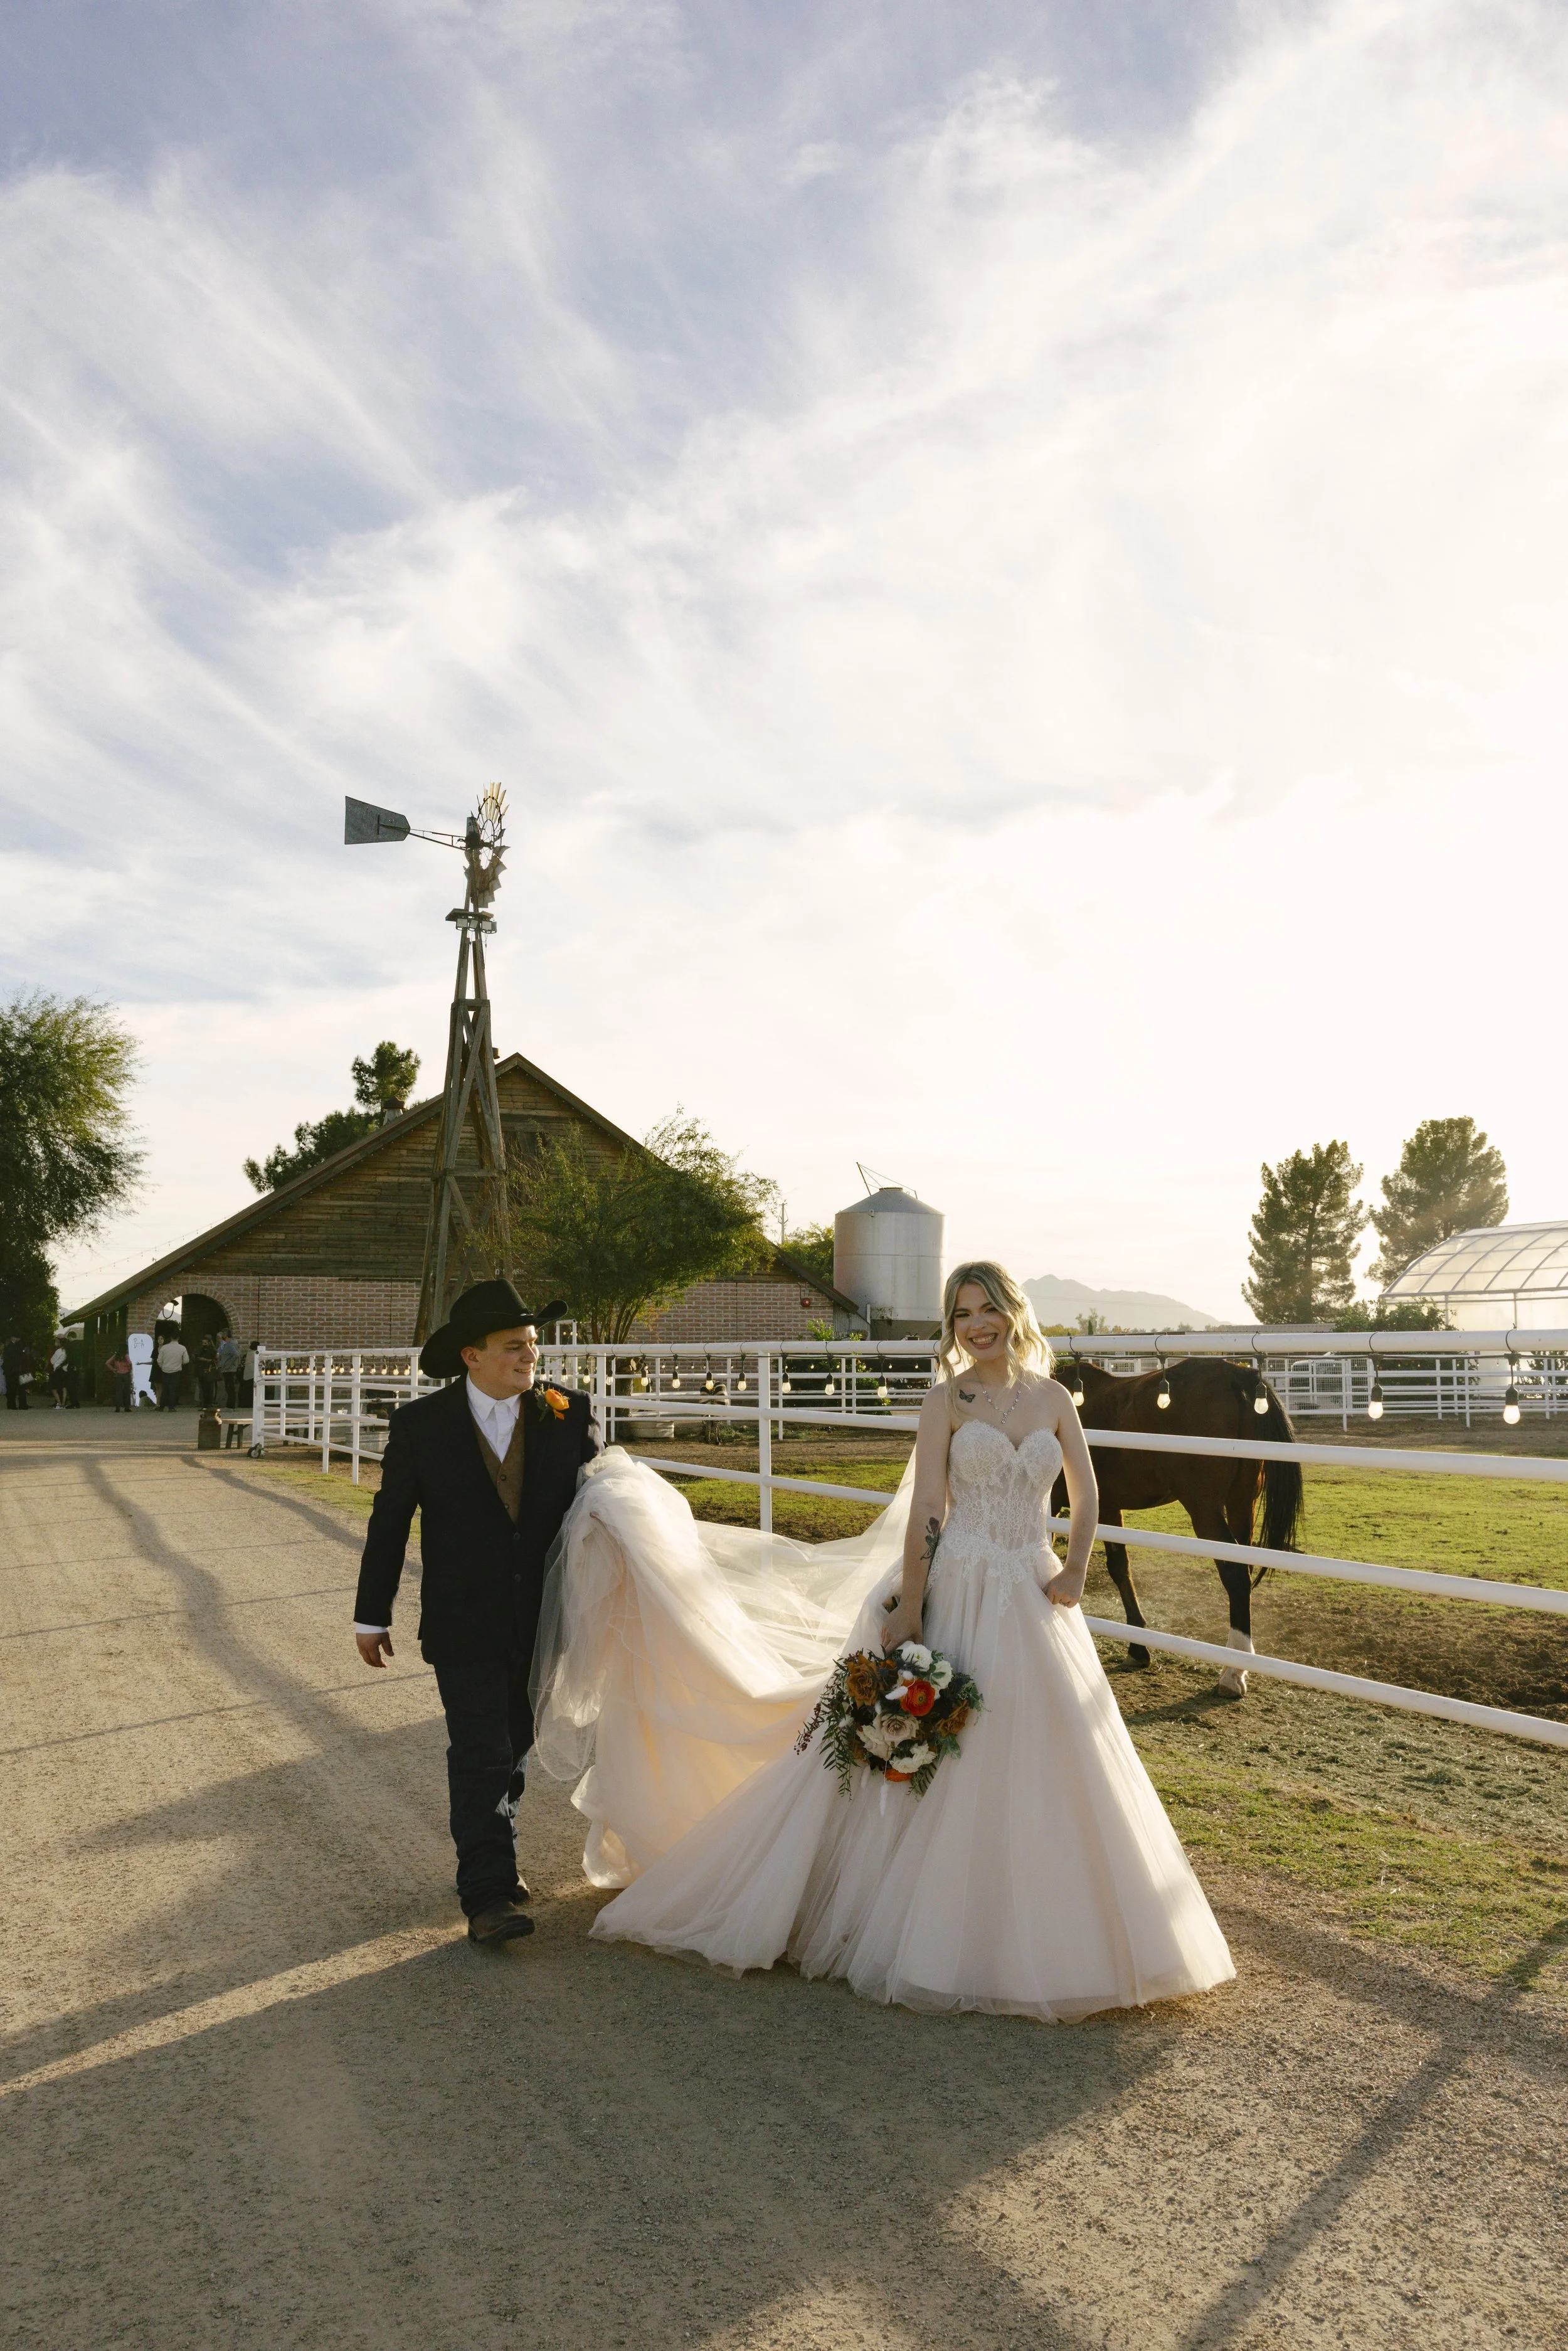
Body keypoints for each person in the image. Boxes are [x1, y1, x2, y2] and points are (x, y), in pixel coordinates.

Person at [531, 1261, 1234, 2023]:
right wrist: (914, 1601)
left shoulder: (1055, 1396)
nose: (975, 1324)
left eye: (986, 1308)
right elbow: (929, 1502)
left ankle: (1064, 1925)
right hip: (960, 1584)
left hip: (1033, 1590)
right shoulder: (946, 1401)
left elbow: (1088, 1490)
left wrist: (1074, 1569)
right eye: (961, 1312)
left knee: (1052, 1747)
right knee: (948, 1749)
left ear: (1012, 1311)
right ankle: (922, 1925)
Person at [353, 1280, 590, 1948]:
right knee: (481, 1748)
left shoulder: (568, 1413)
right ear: (472, 1356)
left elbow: (598, 1508)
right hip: (463, 1620)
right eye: (515, 1347)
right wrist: (371, 1614)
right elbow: (390, 1521)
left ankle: (495, 1853)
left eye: (533, 1346)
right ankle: (486, 1894)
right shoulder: (421, 1427)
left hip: (547, 1619)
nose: (529, 1358)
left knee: (514, 1741)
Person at [156, 1332, 189, 1409]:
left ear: (171, 1338)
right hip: (176, 1371)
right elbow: (186, 1360)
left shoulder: (164, 1348)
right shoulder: (182, 1348)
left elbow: (159, 1360)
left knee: (165, 1389)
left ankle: (162, 1406)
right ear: (178, 1338)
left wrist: (162, 1367)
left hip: (165, 1370)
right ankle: (171, 1407)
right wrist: (179, 1363)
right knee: (174, 1389)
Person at [106, 1347, 134, 1412]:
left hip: (119, 1375)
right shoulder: (126, 1356)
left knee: (119, 1391)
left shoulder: (116, 1356)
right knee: (127, 1391)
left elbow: (107, 1363)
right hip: (126, 1374)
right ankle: (127, 1407)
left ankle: (118, 1407)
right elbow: (130, 1363)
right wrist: (130, 1369)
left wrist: (114, 1369)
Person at [217, 1332, 240, 1409]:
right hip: (225, 1369)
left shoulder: (230, 1344)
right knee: (228, 1387)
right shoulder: (225, 1345)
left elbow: (236, 1355)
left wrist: (229, 1365)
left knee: (230, 1387)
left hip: (229, 1369)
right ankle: (229, 1404)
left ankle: (231, 1406)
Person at [48, 1341, 69, 1409]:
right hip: (65, 1370)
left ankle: (59, 1403)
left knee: (54, 1388)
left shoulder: (60, 1351)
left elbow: (52, 1360)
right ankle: (63, 1404)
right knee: (64, 1388)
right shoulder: (68, 1352)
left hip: (57, 1370)